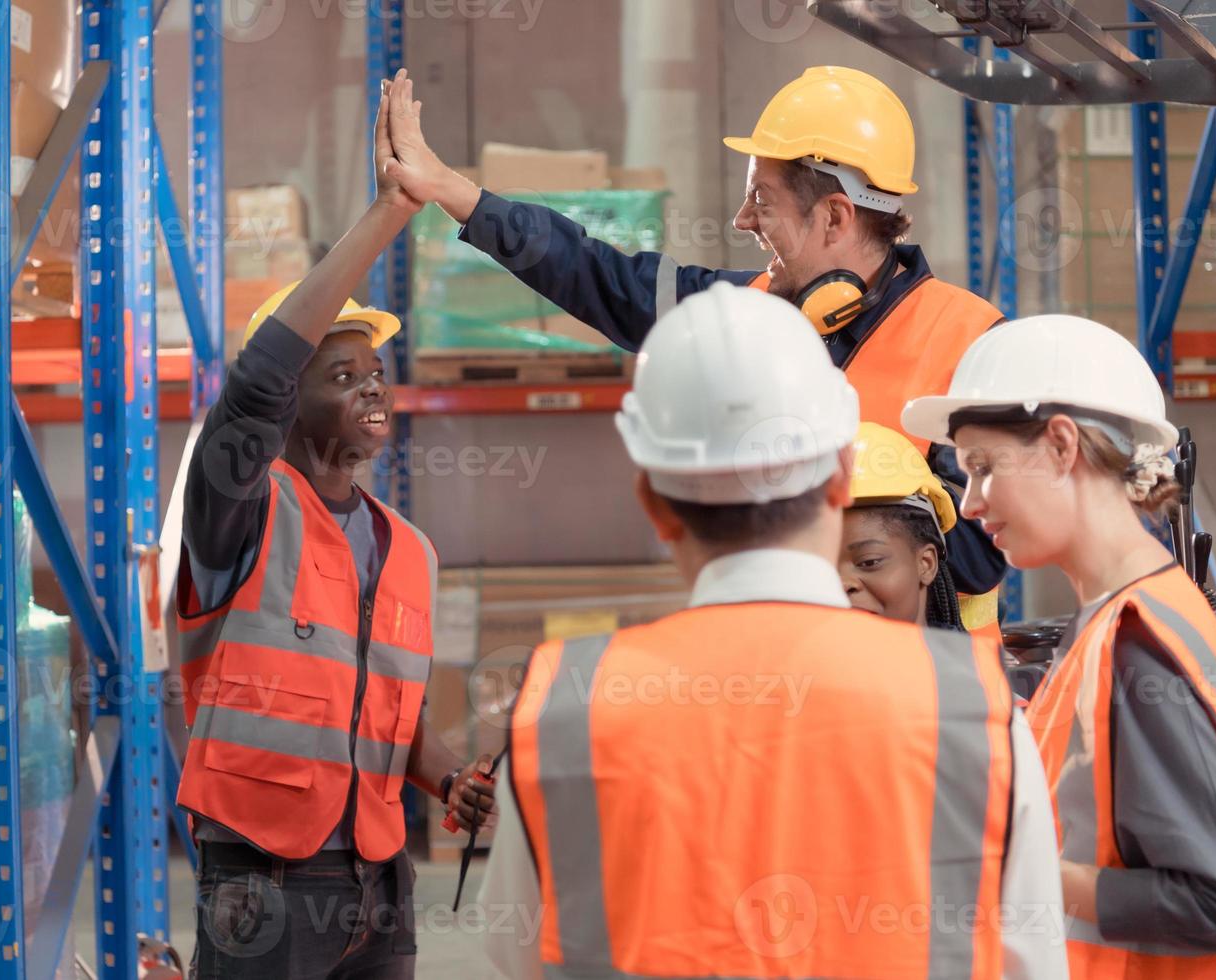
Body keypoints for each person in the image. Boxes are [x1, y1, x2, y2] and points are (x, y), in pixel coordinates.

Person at [477, 283, 1067, 979]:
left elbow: (514, 953)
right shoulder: (972, 708)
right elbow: (1032, 959)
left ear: (652, 502)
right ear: (841, 475)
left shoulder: (565, 709)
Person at [379, 65, 1009, 633]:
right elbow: (601, 277)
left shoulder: (971, 341)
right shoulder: (749, 315)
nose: (742, 219)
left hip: (932, 706)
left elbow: (981, 557)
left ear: (837, 217)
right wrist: (450, 191)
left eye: (762, 199)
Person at [173, 76, 495, 979]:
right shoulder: (238, 509)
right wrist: (393, 211)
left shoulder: (410, 551)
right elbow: (253, 381)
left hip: (380, 878)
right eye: (341, 373)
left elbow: (392, 719)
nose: (371, 387)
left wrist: (449, 781)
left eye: (375, 372)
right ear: (290, 402)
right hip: (263, 877)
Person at [901, 314, 1216, 977]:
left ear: (1059, 445)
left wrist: (1008, 871)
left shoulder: (1138, 640)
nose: (968, 504)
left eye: (981, 467)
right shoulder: (1115, 621)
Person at [844, 421, 966, 631]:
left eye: (869, 562)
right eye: (822, 569)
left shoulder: (973, 664)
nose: (842, 584)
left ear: (926, 563)